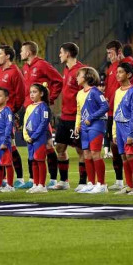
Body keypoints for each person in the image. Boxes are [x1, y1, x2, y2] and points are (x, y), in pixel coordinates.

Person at [20, 41, 62, 188]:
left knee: (48, 144)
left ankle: (53, 179)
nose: (20, 53)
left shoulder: (42, 65)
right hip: (29, 109)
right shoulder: (25, 67)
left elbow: (58, 80)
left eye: (22, 50)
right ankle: (33, 180)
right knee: (31, 144)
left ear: (29, 52)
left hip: (40, 111)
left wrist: (49, 99)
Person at [0, 45, 26, 186]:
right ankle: (1, 181)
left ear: (7, 56)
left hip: (6, 114)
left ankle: (19, 179)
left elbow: (21, 95)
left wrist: (13, 111)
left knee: (10, 145)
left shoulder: (15, 72)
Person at [104, 40, 133, 191]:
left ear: (119, 52)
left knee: (130, 150)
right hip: (112, 113)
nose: (109, 56)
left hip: (124, 114)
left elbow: (129, 84)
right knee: (117, 148)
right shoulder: (112, 68)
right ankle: (123, 182)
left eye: (111, 53)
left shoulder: (129, 63)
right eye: (107, 53)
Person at [55, 42, 86, 190]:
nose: (59, 55)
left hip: (76, 118)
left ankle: (82, 182)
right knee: (60, 147)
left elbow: (85, 93)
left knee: (80, 150)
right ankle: (64, 181)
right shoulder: (66, 69)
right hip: (64, 116)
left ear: (67, 54)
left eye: (61, 52)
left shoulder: (80, 71)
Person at [75, 67, 109, 194]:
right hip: (84, 127)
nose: (77, 77)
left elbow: (105, 106)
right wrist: (77, 125)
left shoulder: (95, 92)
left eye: (79, 75)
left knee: (95, 154)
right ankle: (91, 183)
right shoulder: (79, 94)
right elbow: (79, 112)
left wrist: (91, 117)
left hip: (96, 125)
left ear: (87, 77)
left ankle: (102, 184)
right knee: (86, 155)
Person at [112, 62, 133, 195]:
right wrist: (114, 132)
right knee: (123, 156)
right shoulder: (117, 91)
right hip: (118, 126)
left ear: (128, 74)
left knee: (130, 155)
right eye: (117, 72)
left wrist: (131, 133)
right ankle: (129, 186)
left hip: (128, 127)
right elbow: (114, 112)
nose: (117, 74)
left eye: (120, 72)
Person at [24, 84, 51, 194]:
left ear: (41, 93)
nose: (32, 94)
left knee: (40, 160)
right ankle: (35, 184)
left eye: (34, 92)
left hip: (39, 138)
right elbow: (25, 123)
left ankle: (42, 185)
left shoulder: (44, 107)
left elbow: (44, 123)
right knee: (33, 161)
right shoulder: (29, 107)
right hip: (30, 139)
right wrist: (26, 136)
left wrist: (34, 136)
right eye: (31, 92)